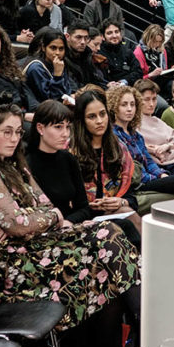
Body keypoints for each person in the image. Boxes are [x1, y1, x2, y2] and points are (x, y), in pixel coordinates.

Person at [0, 99, 140, 347]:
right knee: (108, 240)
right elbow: (19, 224)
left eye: (18, 132)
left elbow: (40, 209)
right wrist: (46, 217)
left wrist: (35, 217)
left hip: (39, 247)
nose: (14, 138)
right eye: (6, 131)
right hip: (15, 265)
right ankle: (144, 326)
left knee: (111, 240)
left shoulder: (16, 166)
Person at [63, 88, 144, 242]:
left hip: (113, 211)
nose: (99, 121)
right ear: (82, 120)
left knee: (129, 214)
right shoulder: (69, 151)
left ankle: (146, 262)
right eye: (92, 117)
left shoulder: (118, 148)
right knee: (128, 221)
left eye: (102, 114)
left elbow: (131, 197)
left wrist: (119, 201)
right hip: (80, 217)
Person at [108, 84, 174, 200]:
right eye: (124, 105)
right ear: (113, 107)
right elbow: (130, 171)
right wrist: (156, 178)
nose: (129, 109)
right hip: (138, 183)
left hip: (150, 177)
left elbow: (149, 162)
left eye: (132, 104)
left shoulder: (136, 135)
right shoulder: (113, 136)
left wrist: (161, 174)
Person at [23, 27, 77, 103]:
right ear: (43, 48)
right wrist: (57, 76)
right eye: (53, 48)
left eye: (61, 49)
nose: (57, 53)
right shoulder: (36, 68)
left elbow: (67, 91)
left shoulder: (60, 64)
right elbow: (51, 100)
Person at [98, 19, 141, 85]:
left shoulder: (127, 52)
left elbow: (138, 71)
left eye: (116, 32)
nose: (114, 36)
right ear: (103, 37)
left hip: (128, 87)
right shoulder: (99, 53)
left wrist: (124, 81)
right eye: (109, 33)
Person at [64, 21, 107, 87]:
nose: (83, 42)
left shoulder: (86, 55)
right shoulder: (62, 57)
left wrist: (107, 86)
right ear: (67, 37)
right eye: (78, 37)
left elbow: (95, 79)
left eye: (86, 38)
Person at [133, 23, 174, 92]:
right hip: (145, 86)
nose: (157, 44)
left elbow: (164, 69)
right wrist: (151, 74)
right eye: (154, 42)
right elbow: (137, 80)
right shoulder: (138, 52)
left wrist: (173, 69)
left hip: (160, 82)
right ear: (148, 39)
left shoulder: (162, 50)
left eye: (160, 42)